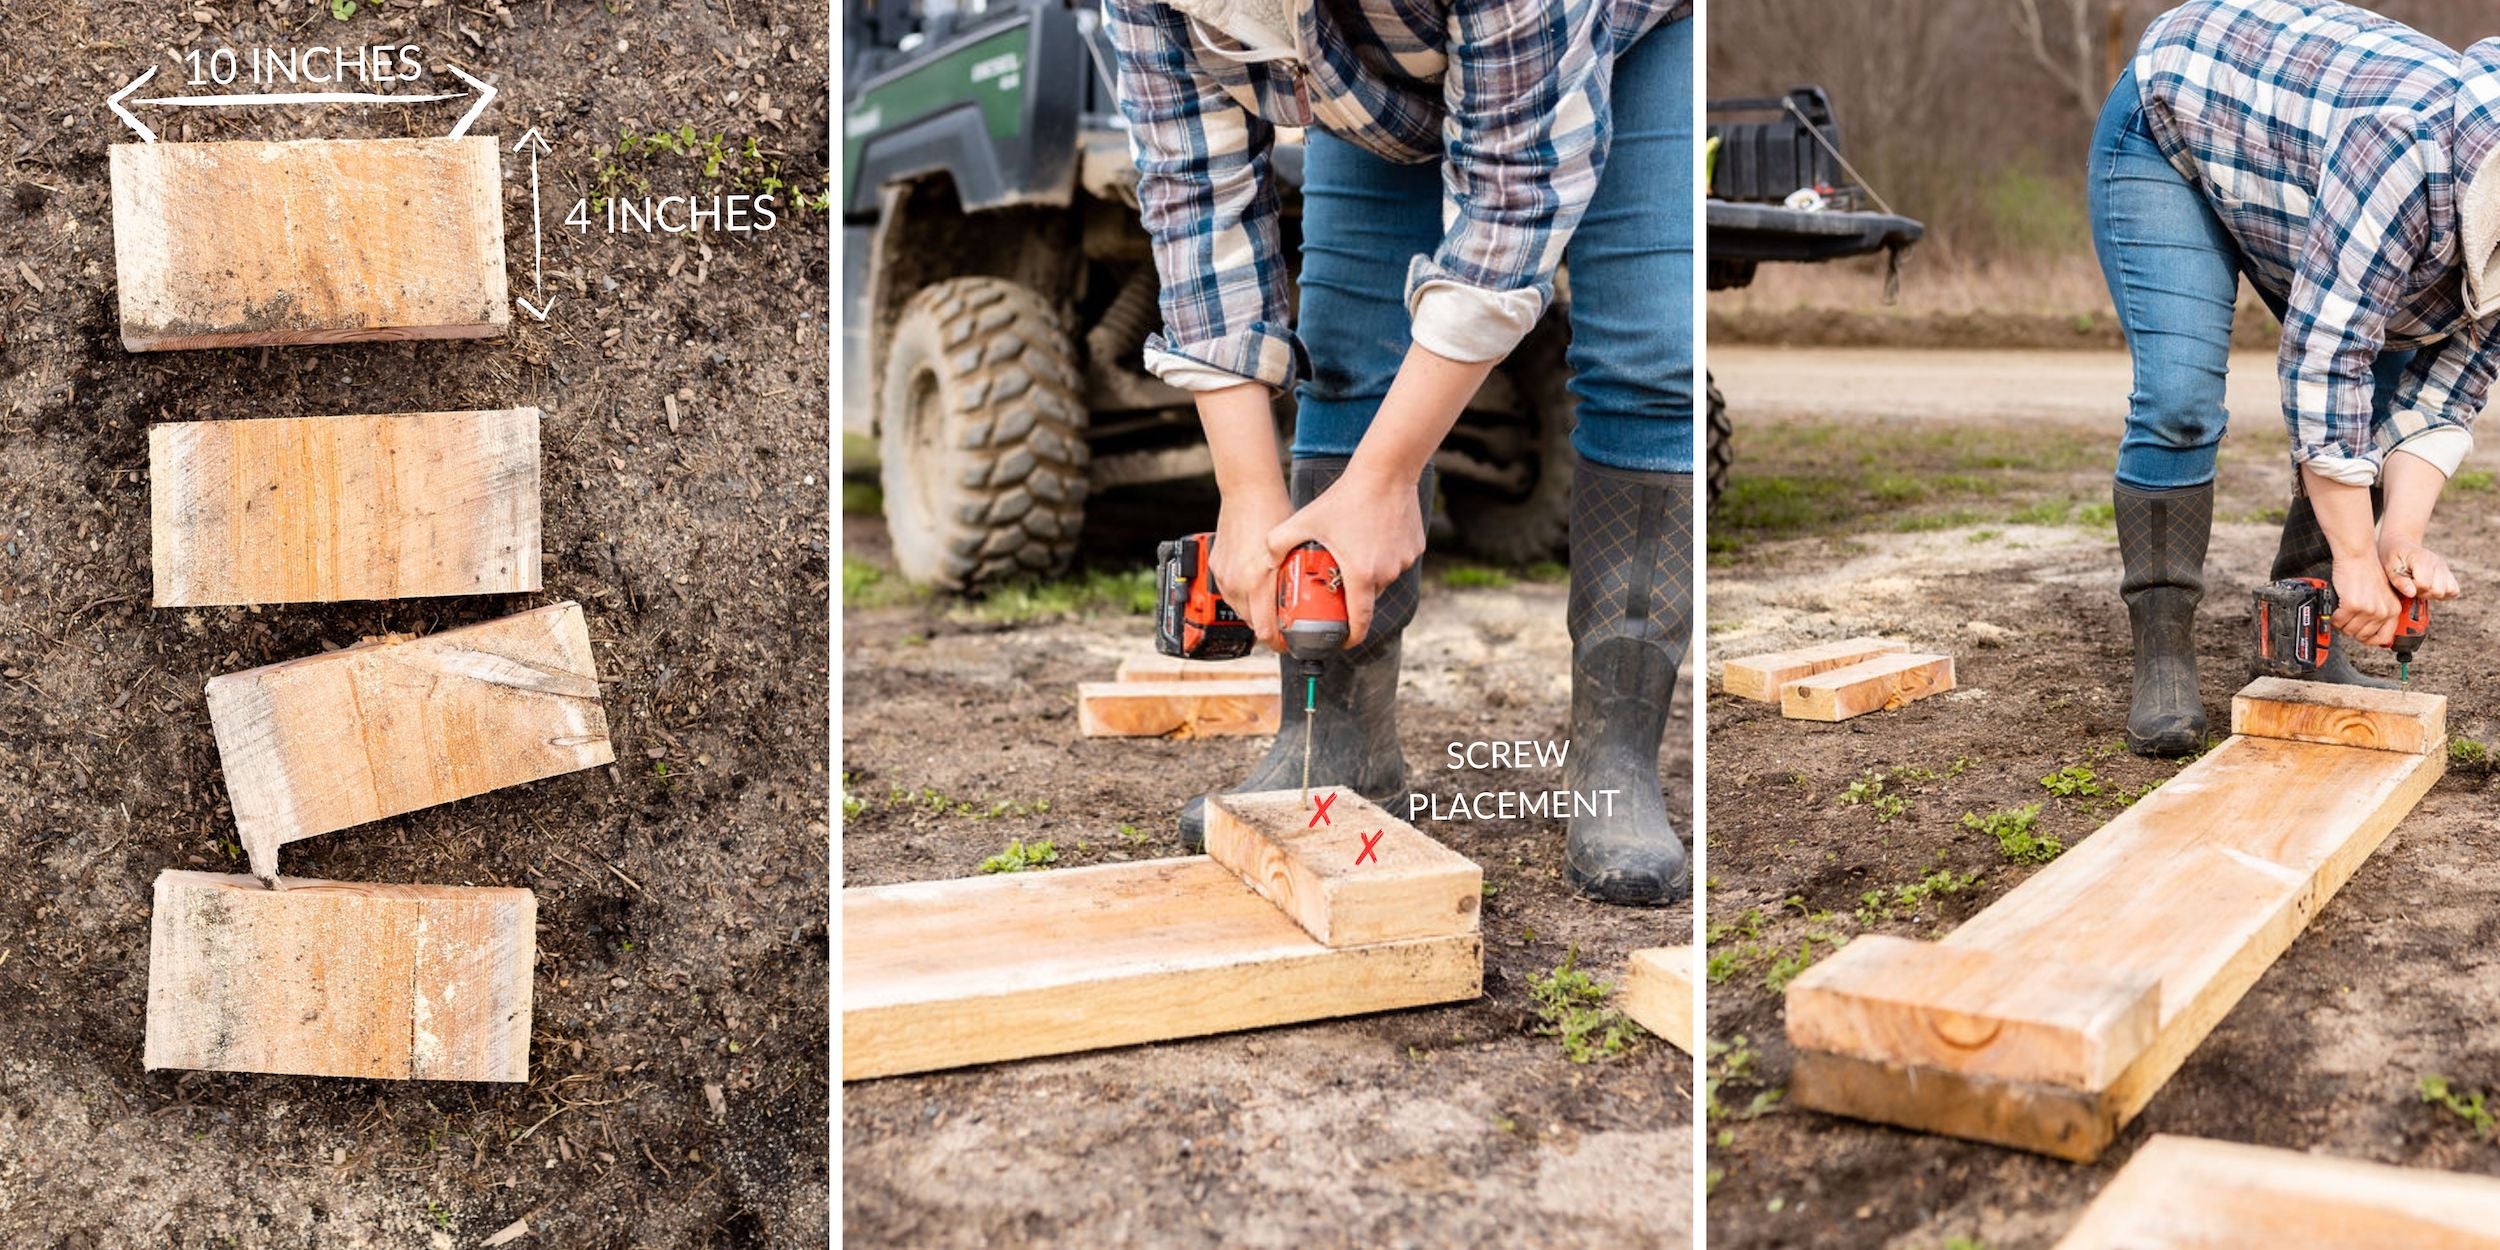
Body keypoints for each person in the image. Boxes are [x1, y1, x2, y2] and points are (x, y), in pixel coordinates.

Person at [1106, 0, 1695, 904]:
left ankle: (1614, 763)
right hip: (1373, 73)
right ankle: (1337, 743)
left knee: (1647, 364)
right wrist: (1247, 490)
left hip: (1617, 36)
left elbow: (1512, 200)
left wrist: (1381, 483)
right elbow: (1192, 193)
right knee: (1344, 359)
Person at [2091, 0, 2484, 756]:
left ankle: (2301, 647)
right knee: (2179, 399)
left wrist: (2395, 539)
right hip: (2176, 128)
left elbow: (2443, 392)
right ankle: (2164, 643)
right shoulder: (2407, 146)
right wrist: (2355, 556)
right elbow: (2325, 360)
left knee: (2370, 397)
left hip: (2298, 191)